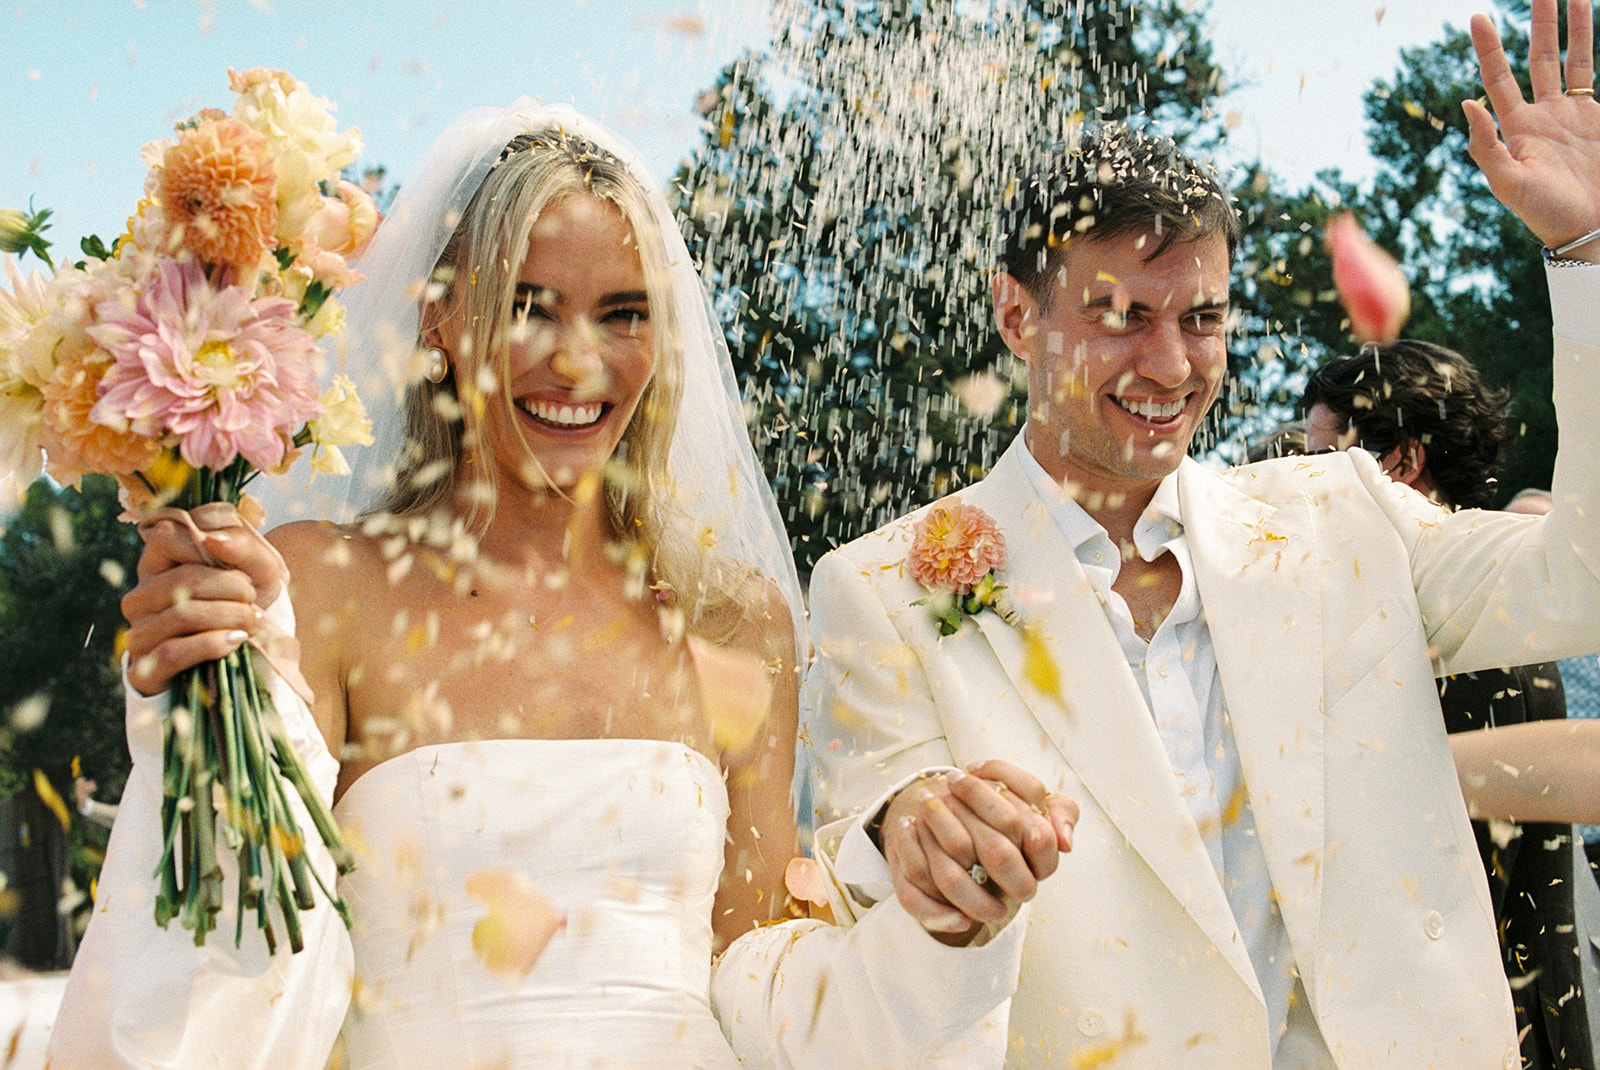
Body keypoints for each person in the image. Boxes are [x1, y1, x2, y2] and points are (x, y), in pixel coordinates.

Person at [50, 102, 1075, 1069]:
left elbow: (756, 966)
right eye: (529, 306)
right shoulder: (320, 584)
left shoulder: (735, 620)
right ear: (443, 322)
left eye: (622, 313)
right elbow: (248, 934)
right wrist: (201, 696)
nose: (579, 362)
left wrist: (938, 923)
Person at [799, 2, 1600, 1066]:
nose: (1172, 366)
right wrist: (918, 830)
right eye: (1120, 316)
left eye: (1204, 318)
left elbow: (1578, 581)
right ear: (1015, 316)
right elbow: (869, 846)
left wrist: (1586, 256)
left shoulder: (1345, 511)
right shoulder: (883, 584)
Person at [1304, 339, 1592, 1070]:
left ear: (1398, 462)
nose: (1297, 485)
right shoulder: (1494, 608)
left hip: (1471, 1028)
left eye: (1317, 459)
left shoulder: (1435, 625)